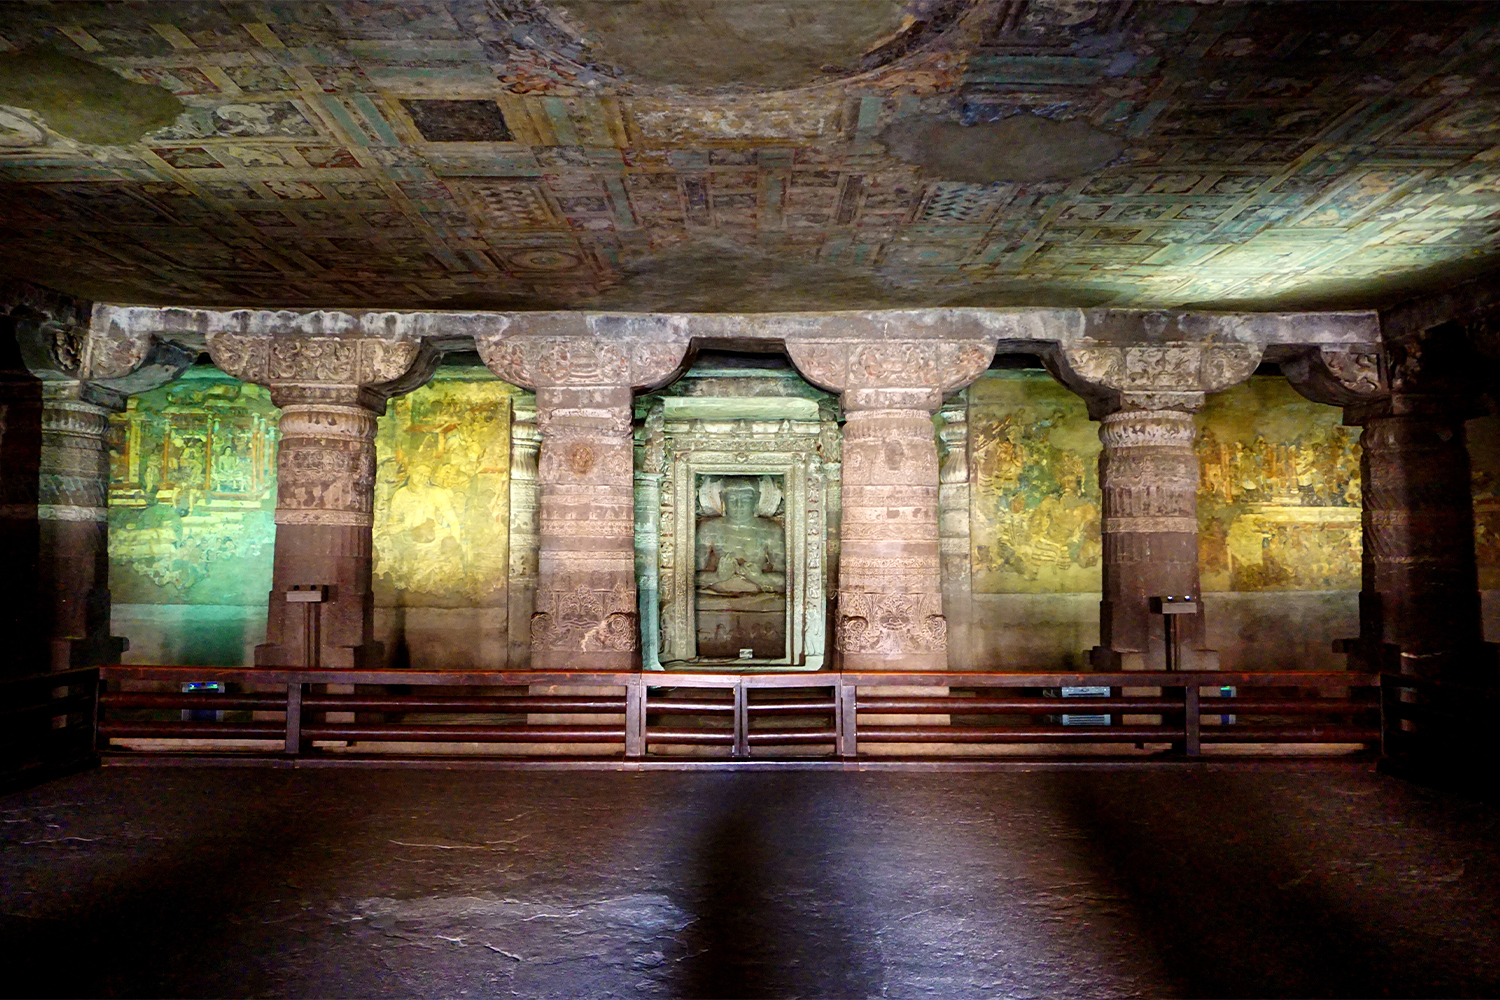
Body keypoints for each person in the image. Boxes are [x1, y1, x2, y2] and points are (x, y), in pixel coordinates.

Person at [696, 478, 785, 596]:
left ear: (756, 499)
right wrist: (717, 576)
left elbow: (786, 579)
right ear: (722, 498)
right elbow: (689, 576)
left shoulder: (771, 531)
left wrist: (760, 578)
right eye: (732, 498)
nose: (739, 505)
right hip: (717, 598)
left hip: (759, 600)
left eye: (745, 498)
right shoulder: (709, 529)